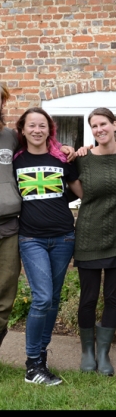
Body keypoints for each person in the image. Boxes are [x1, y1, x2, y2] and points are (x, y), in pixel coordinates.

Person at [13, 108, 83, 386]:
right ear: (23, 129)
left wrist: (81, 155)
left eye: (42, 125)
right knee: (42, 298)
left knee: (53, 299)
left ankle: (39, 358)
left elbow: (82, 192)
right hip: (31, 238)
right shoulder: (15, 161)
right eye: (32, 125)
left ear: (49, 130)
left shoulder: (61, 159)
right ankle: (32, 364)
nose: (37, 130)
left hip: (64, 237)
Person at [74, 108, 116, 377]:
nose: (98, 129)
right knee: (89, 297)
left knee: (113, 298)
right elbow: (74, 184)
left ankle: (103, 353)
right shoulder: (84, 158)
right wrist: (73, 148)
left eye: (103, 124)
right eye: (94, 126)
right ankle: (87, 352)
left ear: (115, 125)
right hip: (89, 234)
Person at [0, 84, 21, 351]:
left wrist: (67, 149)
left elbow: (41, 147)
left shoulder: (10, 138)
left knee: (5, 295)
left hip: (9, 227)